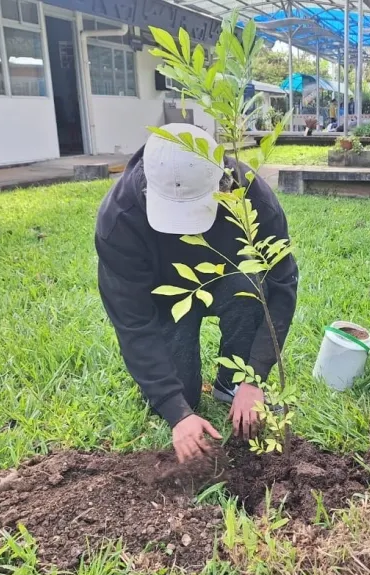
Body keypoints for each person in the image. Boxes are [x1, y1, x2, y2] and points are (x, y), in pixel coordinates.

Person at [95, 123, 299, 463]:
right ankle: (184, 396)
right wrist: (177, 412)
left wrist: (255, 376)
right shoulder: (119, 220)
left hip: (231, 282)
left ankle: (232, 383)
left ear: (223, 184)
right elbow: (133, 323)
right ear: (147, 190)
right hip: (165, 298)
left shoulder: (252, 199)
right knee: (183, 396)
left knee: (249, 286)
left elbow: (280, 285)